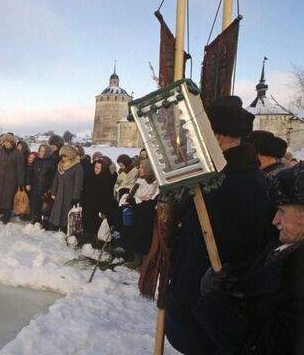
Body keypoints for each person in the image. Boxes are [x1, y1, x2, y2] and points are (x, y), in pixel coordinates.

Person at [165, 96, 275, 354]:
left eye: (201, 134)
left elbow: (210, 251)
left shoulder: (230, 185)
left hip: (203, 313)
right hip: (201, 310)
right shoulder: (237, 179)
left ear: (216, 138)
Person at [193, 161, 304, 354]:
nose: (275, 220)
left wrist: (215, 301)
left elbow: (259, 347)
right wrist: (228, 289)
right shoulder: (281, 247)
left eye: (283, 211)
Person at [119, 159, 159, 269]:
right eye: (139, 167)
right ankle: (136, 260)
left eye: (142, 167)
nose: (139, 169)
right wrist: (126, 199)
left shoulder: (155, 184)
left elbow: (150, 200)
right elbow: (132, 195)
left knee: (145, 240)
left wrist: (135, 201)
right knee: (134, 237)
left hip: (146, 217)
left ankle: (146, 264)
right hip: (136, 214)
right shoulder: (139, 181)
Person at [0, 133, 25, 224]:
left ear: (12, 142)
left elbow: (20, 169)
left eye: (8, 142)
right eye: (5, 141)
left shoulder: (18, 153)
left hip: (11, 180)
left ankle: (7, 216)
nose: (6, 143)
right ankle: (1, 213)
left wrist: (20, 182)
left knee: (8, 198)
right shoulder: (0, 151)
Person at [81, 159, 116, 245]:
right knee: (89, 225)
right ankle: (88, 242)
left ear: (103, 169)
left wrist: (104, 210)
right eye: (95, 167)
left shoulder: (107, 179)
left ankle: (97, 243)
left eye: (98, 168)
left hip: (100, 207)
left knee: (98, 226)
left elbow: (108, 196)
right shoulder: (91, 176)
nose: (96, 169)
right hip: (89, 205)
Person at [49, 145, 84, 232]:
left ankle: (65, 231)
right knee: (57, 214)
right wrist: (53, 192)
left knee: (66, 216)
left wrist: (75, 197)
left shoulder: (77, 167)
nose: (63, 158)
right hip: (60, 194)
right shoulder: (60, 166)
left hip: (69, 196)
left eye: (65, 156)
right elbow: (56, 180)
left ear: (70, 156)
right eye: (62, 156)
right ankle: (56, 230)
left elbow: (78, 184)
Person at [27, 144, 56, 226]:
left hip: (45, 188)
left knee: (44, 206)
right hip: (35, 186)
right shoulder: (36, 160)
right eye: (40, 150)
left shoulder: (52, 161)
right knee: (34, 203)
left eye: (43, 151)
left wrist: (50, 188)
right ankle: (34, 219)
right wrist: (28, 183)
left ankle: (44, 223)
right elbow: (30, 172)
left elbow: (53, 177)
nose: (41, 152)